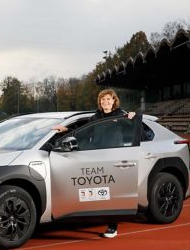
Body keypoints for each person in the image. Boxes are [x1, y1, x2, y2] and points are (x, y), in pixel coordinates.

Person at [52, 89, 136, 239]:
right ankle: (95, 216)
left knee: (111, 191)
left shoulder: (120, 114)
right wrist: (66, 130)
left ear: (114, 101)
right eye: (103, 100)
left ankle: (112, 226)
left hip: (114, 155)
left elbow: (131, 127)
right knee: (99, 191)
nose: (106, 102)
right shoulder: (96, 117)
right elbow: (82, 132)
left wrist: (132, 117)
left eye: (108, 99)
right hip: (96, 155)